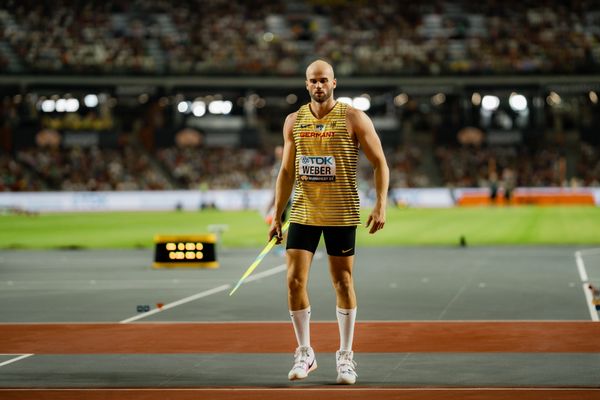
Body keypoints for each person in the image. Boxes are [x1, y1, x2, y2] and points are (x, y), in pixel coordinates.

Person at [268, 59, 389, 385]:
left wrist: (380, 203)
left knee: (343, 283)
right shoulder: (294, 121)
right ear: (306, 84)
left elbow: (380, 163)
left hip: (341, 213)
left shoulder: (353, 118)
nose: (318, 85)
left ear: (333, 83)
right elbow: (286, 171)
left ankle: (345, 357)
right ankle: (305, 352)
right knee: (294, 281)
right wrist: (277, 213)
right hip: (304, 213)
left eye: (324, 80)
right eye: (313, 81)